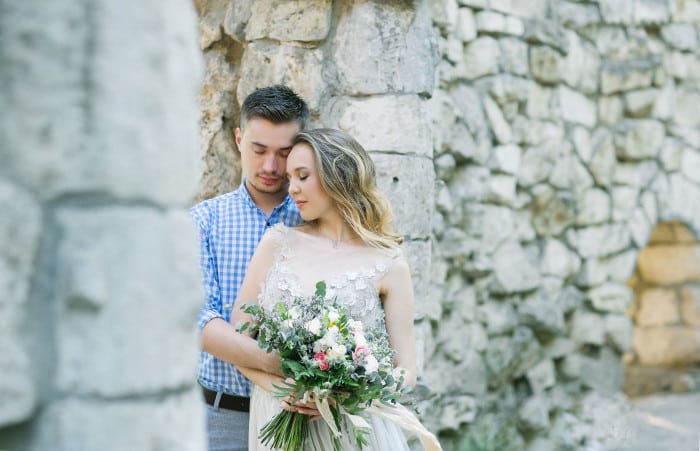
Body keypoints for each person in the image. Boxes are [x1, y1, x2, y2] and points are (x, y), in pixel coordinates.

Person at [228, 128, 431, 450]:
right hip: (278, 415)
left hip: (353, 427)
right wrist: (283, 391)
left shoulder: (389, 261)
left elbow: (406, 372)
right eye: (290, 178)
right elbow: (236, 343)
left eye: (303, 176)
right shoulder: (277, 243)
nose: (292, 188)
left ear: (338, 176)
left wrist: (349, 394)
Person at [190, 85, 310, 451]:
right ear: (239, 139)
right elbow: (200, 321)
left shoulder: (316, 221)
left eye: (284, 153)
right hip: (223, 420)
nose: (271, 166)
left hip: (304, 421)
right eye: (259, 150)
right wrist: (282, 367)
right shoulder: (203, 221)